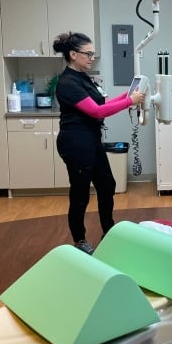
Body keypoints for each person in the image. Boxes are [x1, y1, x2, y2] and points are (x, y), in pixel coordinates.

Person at [52, 32, 145, 254]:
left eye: (93, 53)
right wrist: (129, 102)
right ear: (73, 54)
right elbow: (95, 112)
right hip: (76, 144)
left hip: (91, 140)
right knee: (80, 193)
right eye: (88, 53)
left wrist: (126, 96)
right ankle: (80, 239)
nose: (92, 57)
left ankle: (109, 232)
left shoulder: (84, 77)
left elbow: (102, 103)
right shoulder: (67, 83)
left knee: (107, 184)